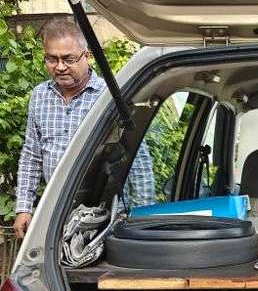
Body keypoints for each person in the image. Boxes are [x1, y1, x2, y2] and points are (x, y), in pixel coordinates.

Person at [13, 18, 154, 240]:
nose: (59, 67)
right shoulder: (39, 96)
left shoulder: (110, 97)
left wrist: (144, 220)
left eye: (68, 59)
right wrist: (24, 208)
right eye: (52, 59)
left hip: (105, 216)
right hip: (56, 214)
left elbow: (138, 159)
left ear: (86, 56)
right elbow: (31, 155)